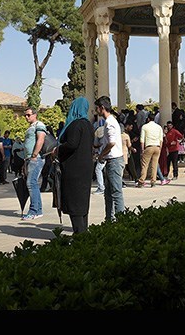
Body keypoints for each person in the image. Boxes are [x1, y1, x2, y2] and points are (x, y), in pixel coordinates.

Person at [56, 96, 94, 234]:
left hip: (74, 169)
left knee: (74, 200)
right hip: (86, 167)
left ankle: (79, 232)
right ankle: (83, 229)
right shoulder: (88, 125)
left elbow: (72, 144)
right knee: (82, 200)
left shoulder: (75, 124)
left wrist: (58, 149)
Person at [95, 96, 125, 222]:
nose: (95, 111)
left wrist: (102, 154)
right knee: (108, 193)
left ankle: (122, 220)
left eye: (97, 108)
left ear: (102, 108)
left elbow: (111, 143)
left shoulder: (109, 122)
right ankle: (109, 218)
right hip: (111, 160)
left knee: (116, 193)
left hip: (114, 160)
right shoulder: (111, 121)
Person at [21, 106, 48, 221]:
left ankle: (33, 211)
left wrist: (34, 155)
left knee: (31, 184)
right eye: (25, 115)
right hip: (30, 159)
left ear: (35, 115)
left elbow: (41, 139)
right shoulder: (30, 127)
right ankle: (38, 210)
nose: (26, 117)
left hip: (35, 159)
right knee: (34, 184)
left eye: (29, 115)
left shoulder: (39, 125)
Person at [137, 112, 164, 188]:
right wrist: (160, 148)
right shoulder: (159, 127)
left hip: (149, 146)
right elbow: (161, 140)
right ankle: (153, 182)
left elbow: (142, 140)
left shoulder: (145, 127)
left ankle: (141, 181)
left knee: (145, 165)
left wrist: (142, 150)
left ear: (148, 119)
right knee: (154, 165)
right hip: (157, 147)